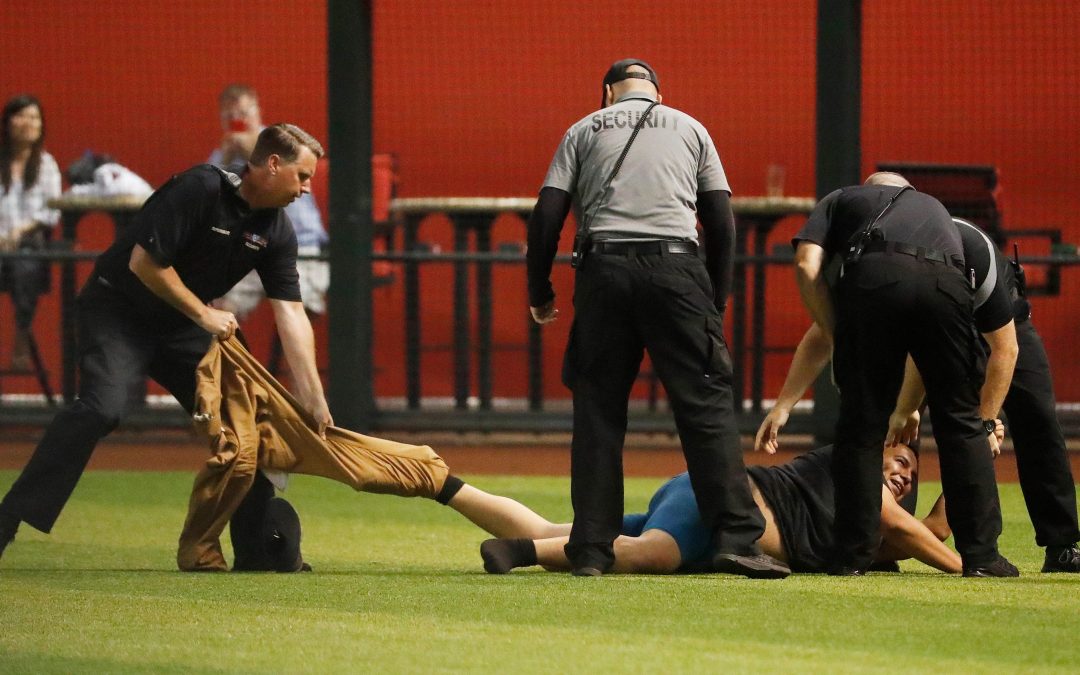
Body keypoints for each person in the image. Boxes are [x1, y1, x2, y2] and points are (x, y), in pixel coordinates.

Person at [0, 124, 332, 560]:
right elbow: (145, 264)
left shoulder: (276, 230)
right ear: (273, 164)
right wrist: (204, 314)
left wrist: (313, 397)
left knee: (245, 416)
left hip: (181, 326)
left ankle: (254, 551)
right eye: (303, 176)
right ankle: (8, 520)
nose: (307, 189)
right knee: (102, 408)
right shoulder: (200, 188)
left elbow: (290, 312)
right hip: (117, 310)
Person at [525, 58, 786, 578]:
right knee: (706, 408)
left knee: (598, 412)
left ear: (607, 93)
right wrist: (715, 297)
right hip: (677, 271)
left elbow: (547, 215)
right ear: (657, 95)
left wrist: (541, 290)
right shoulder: (691, 128)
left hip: (604, 272)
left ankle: (593, 550)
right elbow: (720, 221)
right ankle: (735, 539)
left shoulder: (582, 129)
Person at [789, 171, 1017, 577]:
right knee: (962, 424)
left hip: (874, 277)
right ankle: (982, 558)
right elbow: (1000, 342)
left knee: (861, 429)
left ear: (870, 188)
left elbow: (807, 266)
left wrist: (837, 334)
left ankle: (851, 557)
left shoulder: (843, 196)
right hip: (947, 283)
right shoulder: (938, 212)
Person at [467, 444, 959, 575]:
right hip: (717, 502)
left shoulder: (866, 533)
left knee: (561, 528)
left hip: (700, 514)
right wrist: (968, 569)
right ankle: (523, 553)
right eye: (900, 461)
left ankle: (444, 486)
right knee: (654, 553)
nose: (905, 475)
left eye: (912, 477)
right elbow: (914, 532)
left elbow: (929, 531)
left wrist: (971, 458)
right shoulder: (854, 464)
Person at [209, 84, 329, 327]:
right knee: (218, 308)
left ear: (258, 112)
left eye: (243, 113)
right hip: (251, 247)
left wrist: (254, 153)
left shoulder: (283, 145)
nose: (238, 120)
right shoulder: (223, 155)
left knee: (297, 309)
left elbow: (283, 178)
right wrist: (225, 160)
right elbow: (207, 195)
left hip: (300, 248)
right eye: (230, 117)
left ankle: (290, 365)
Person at [0, 94, 62, 371]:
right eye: (22, 116)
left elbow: (52, 211)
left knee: (25, 268)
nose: (29, 123)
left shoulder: (46, 165)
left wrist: (20, 230)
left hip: (28, 243)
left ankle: (21, 340)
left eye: (34, 117)